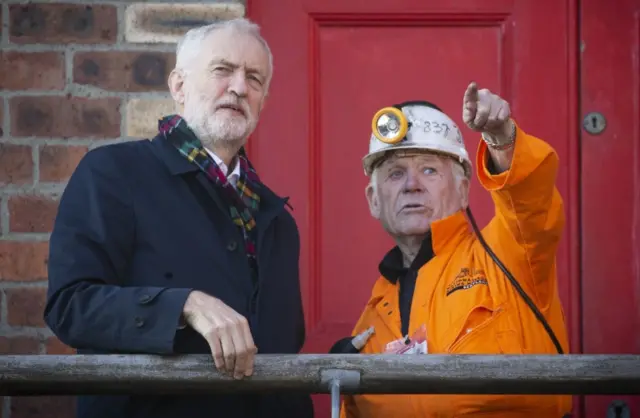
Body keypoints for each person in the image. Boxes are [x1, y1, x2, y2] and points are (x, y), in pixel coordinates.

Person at [44, 18, 314, 418]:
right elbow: (69, 306)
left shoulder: (277, 221)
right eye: (223, 70)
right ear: (179, 86)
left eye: (254, 79)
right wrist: (182, 305)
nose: (239, 87)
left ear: (263, 101)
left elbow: (282, 354)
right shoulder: (114, 174)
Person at [337, 83, 572, 417]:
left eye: (429, 170)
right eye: (395, 173)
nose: (411, 184)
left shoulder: (509, 254)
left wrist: (502, 139)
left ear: (464, 191)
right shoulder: (370, 323)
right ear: (374, 201)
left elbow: (530, 201)